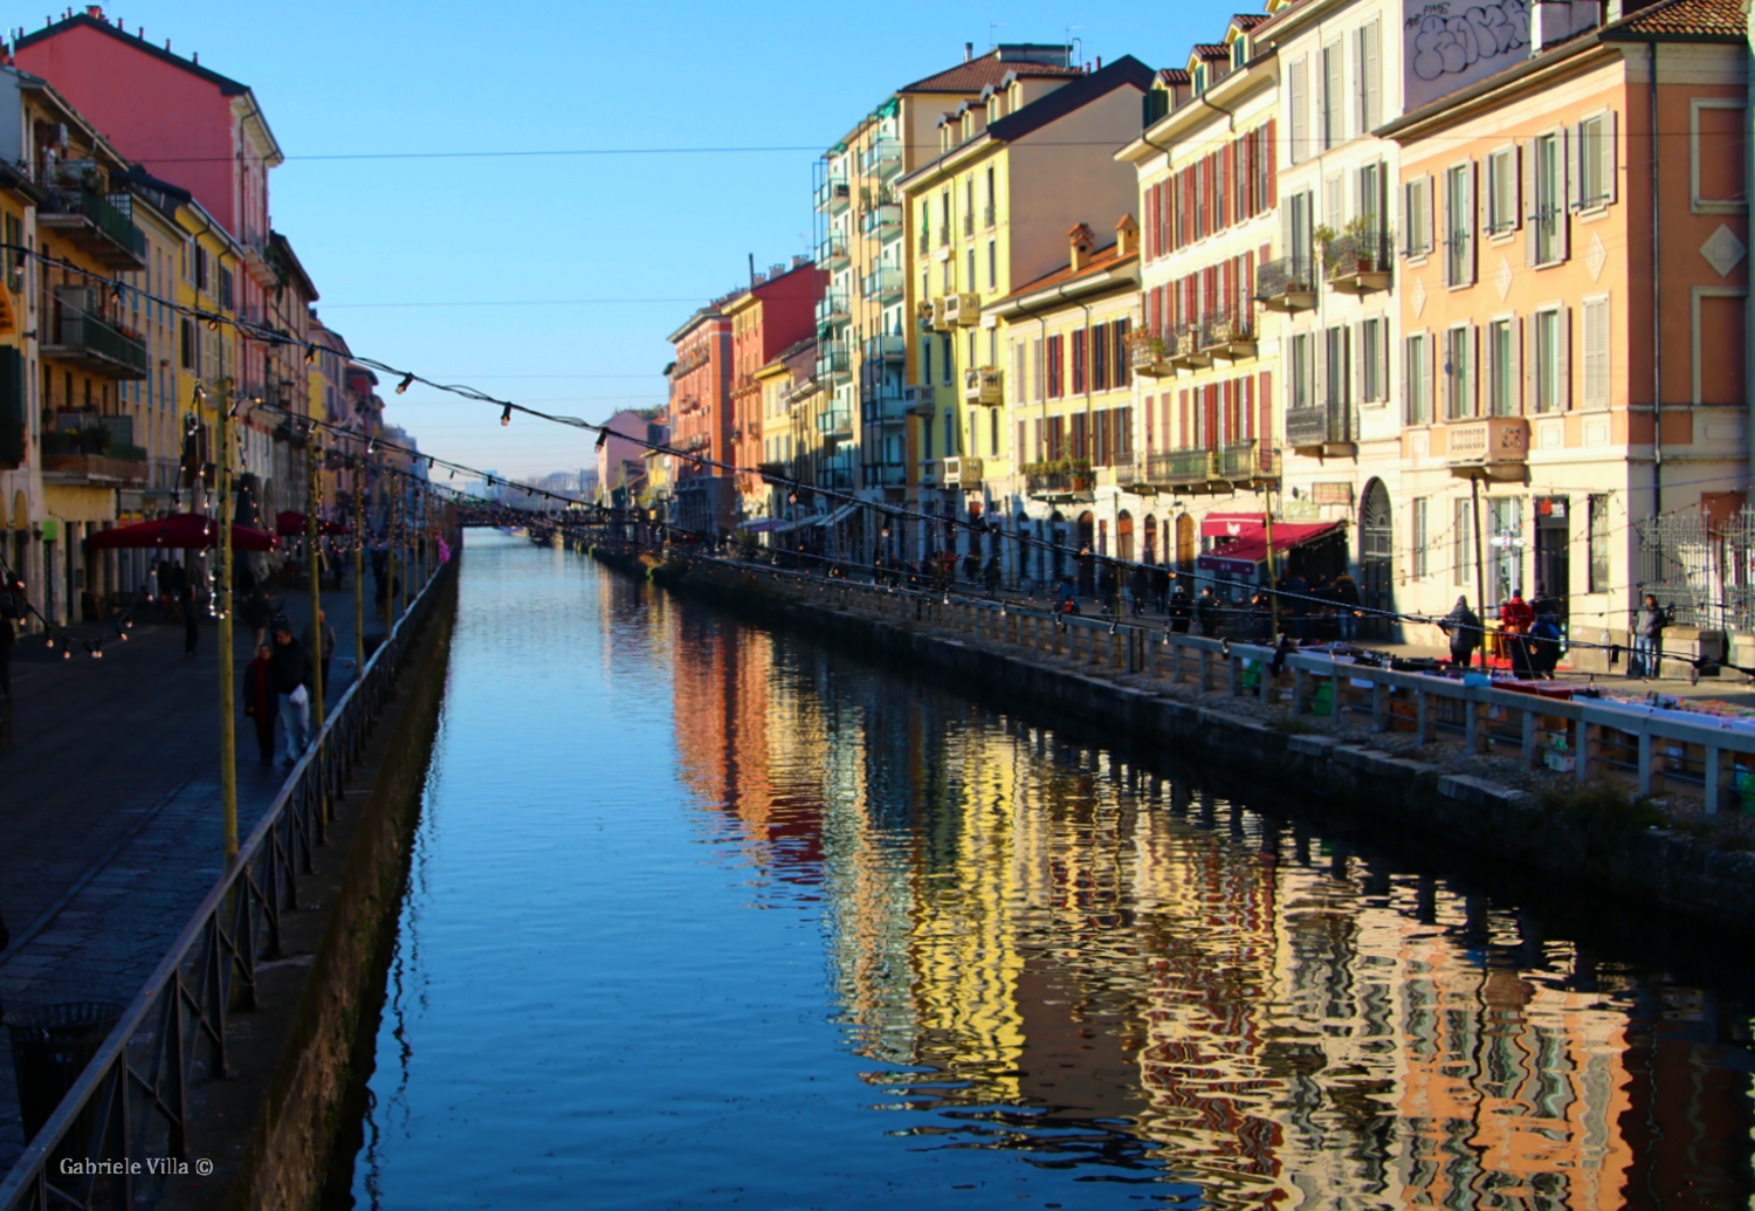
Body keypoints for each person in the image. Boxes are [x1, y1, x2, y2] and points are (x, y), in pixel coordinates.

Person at [269, 622, 311, 767]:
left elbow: (309, 667)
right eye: (277, 637)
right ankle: (291, 754)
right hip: (284, 692)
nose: (279, 640)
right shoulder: (278, 653)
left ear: (288, 636)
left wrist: (306, 681)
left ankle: (303, 742)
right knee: (287, 726)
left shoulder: (300, 651)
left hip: (298, 690)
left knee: (302, 723)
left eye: (281, 637)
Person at [242, 643, 277, 766]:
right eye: (262, 651)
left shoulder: (274, 666)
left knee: (269, 729)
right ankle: (264, 753)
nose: (264, 653)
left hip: (270, 704)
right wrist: (250, 704)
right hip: (258, 704)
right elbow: (248, 688)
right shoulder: (253, 668)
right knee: (260, 729)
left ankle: (269, 754)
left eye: (266, 651)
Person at [302, 608, 337, 697]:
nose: (321, 619)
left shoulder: (328, 628)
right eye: (319, 617)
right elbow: (302, 641)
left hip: (324, 658)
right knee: (310, 678)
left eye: (321, 617)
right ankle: (315, 694)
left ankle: (321, 698)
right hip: (311, 658)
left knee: (323, 680)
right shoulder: (307, 628)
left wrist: (329, 655)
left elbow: (332, 643)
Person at [1441, 596, 1482, 670]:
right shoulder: (1472, 616)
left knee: (1455, 665)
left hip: (1455, 645)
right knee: (1466, 665)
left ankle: (1455, 678)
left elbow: (1447, 627)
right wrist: (1477, 643)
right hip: (1468, 646)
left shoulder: (1453, 614)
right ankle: (1464, 678)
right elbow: (1477, 631)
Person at [1500, 589, 1535, 677]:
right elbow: (1529, 619)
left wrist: (1510, 624)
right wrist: (1523, 626)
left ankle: (1516, 673)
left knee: (1514, 655)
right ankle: (1523, 673)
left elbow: (1504, 617)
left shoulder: (1509, 606)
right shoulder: (1526, 607)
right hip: (1523, 633)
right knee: (1523, 654)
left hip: (1511, 634)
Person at [1633, 593, 1668, 680]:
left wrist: (1654, 628)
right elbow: (1636, 619)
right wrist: (1635, 627)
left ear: (1654, 600)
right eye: (1649, 600)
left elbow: (1663, 622)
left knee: (1648, 655)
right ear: (1646, 600)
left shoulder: (1658, 611)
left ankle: (1648, 672)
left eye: (1652, 600)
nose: (1650, 601)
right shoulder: (1641, 609)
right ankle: (1641, 672)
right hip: (1639, 635)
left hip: (1649, 636)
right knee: (1640, 654)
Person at [1528, 613, 1563, 680]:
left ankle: (1539, 673)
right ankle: (1548, 674)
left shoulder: (1536, 625)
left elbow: (1530, 636)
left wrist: (1532, 647)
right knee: (1548, 665)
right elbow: (1556, 638)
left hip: (1539, 648)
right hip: (1549, 649)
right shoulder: (1552, 627)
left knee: (1538, 662)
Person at [1331, 573, 1361, 642]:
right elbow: (1356, 596)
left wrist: (1335, 606)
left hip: (1342, 605)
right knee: (1353, 623)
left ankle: (1344, 639)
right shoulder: (1352, 584)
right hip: (1352, 605)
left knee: (1343, 623)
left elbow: (1335, 597)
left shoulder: (1338, 585)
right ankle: (1353, 638)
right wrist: (1358, 606)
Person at [181, 584, 200, 657]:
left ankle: (190, 650)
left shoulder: (188, 602)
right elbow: (189, 612)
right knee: (193, 635)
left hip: (191, 620)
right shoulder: (188, 602)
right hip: (191, 621)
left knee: (191, 636)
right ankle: (190, 650)